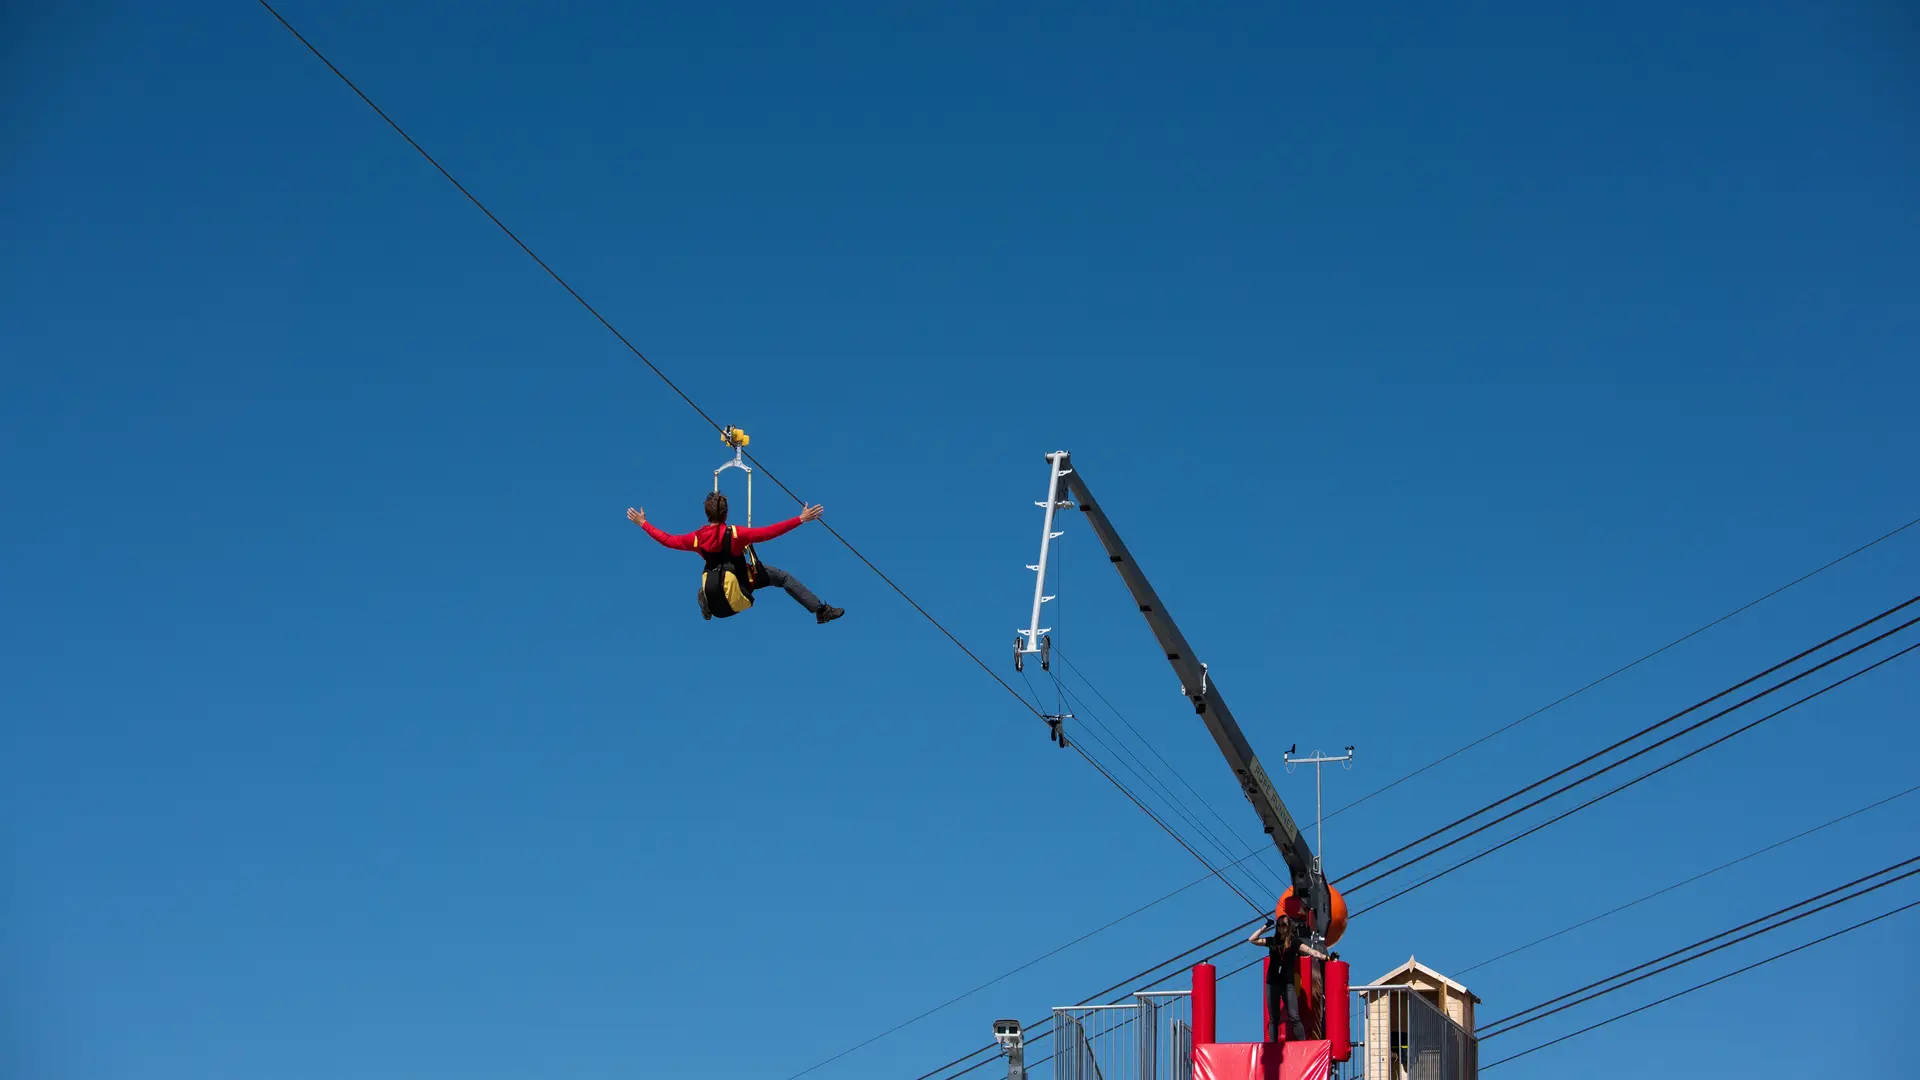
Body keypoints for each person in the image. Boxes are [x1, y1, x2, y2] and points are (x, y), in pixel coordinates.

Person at [626, 492, 844, 624]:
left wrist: (643, 524)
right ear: (726, 514)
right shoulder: (736, 534)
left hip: (719, 591)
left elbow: (667, 539)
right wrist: (801, 519)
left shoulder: (696, 539)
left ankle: (706, 599)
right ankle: (821, 611)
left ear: (706, 514)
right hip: (745, 582)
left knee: (711, 577)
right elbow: (769, 532)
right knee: (783, 578)